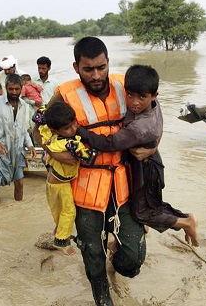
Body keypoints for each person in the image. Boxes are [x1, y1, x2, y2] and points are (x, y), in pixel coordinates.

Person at [34, 37, 152, 305]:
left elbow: (154, 115)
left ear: (108, 62)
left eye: (101, 67)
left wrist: (153, 148)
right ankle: (102, 299)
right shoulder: (63, 94)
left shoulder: (127, 86)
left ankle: (118, 255)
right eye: (88, 69)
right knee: (92, 255)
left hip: (123, 183)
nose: (96, 75)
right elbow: (38, 128)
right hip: (85, 186)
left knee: (133, 261)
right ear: (76, 67)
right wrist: (52, 151)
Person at [74, 65, 200, 244]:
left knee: (143, 212)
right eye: (130, 94)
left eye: (142, 97)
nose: (134, 102)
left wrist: (78, 129)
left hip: (146, 169)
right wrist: (154, 146)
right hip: (148, 159)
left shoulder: (139, 127)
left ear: (155, 95)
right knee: (150, 204)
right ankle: (184, 219)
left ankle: (185, 222)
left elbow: (108, 144)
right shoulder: (152, 104)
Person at [35, 102, 98, 256]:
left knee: (58, 211)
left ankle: (58, 230)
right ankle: (61, 241)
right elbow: (89, 159)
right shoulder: (71, 144)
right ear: (56, 129)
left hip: (52, 183)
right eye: (68, 128)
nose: (74, 128)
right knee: (69, 212)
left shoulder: (50, 135)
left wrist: (45, 111)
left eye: (74, 123)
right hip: (61, 184)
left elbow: (38, 117)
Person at [0, 74, 36, 204]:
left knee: (20, 183)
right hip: (0, 150)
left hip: (17, 151)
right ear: (6, 87)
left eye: (17, 89)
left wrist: (30, 145)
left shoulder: (24, 106)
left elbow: (23, 129)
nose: (14, 92)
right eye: (11, 89)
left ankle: (19, 208)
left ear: (21, 88)